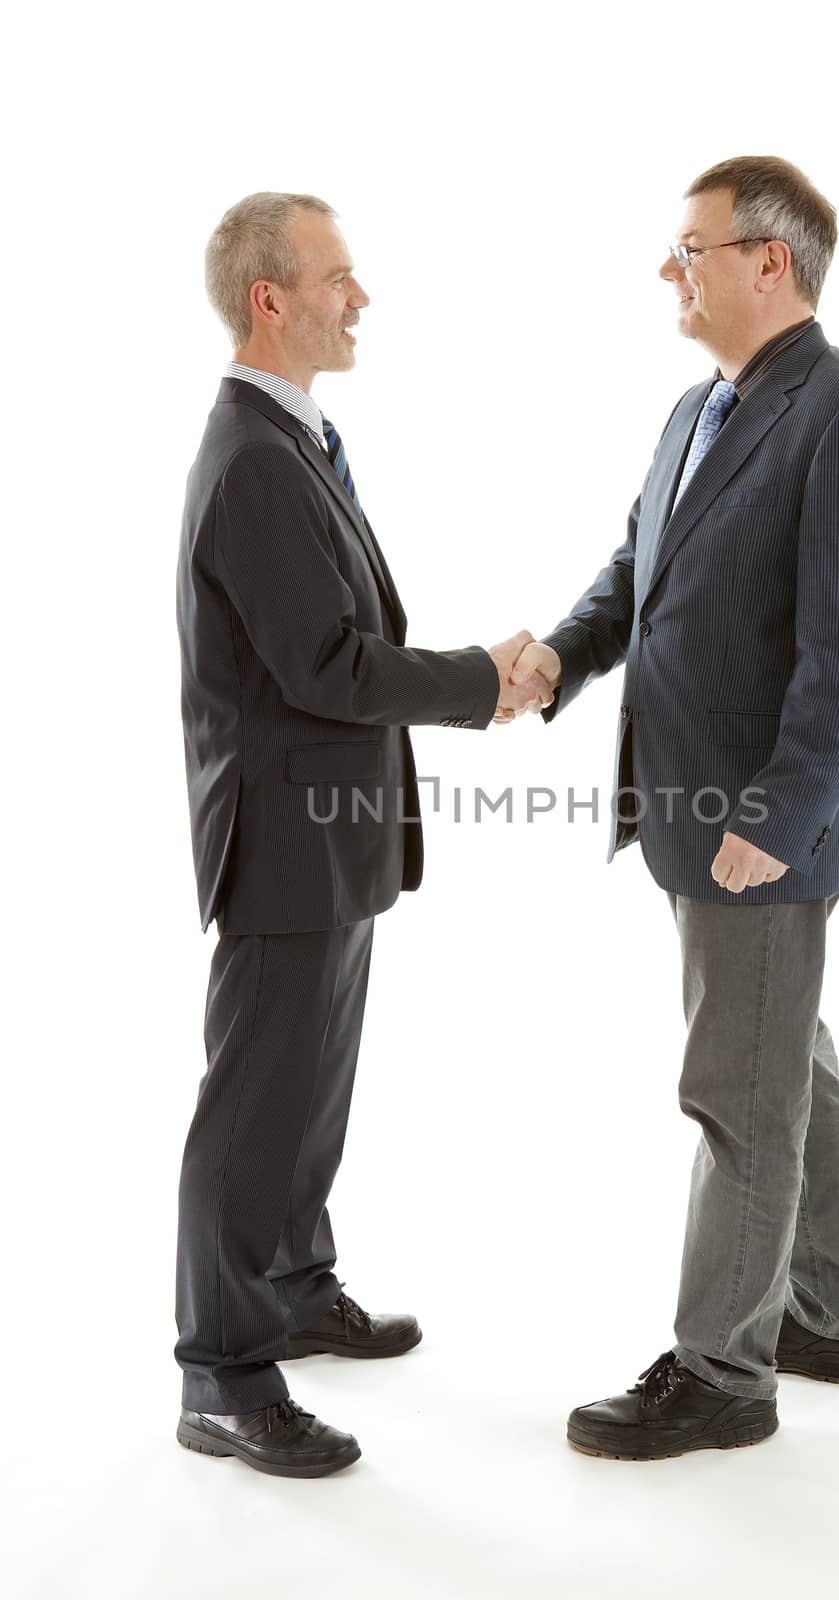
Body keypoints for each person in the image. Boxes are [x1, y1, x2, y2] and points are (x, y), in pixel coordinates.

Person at [504, 155, 839, 1460]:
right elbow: (643, 565)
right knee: (784, 1056)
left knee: (736, 1096)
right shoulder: (697, 412)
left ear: (769, 262)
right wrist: (563, 658)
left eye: (691, 247)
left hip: (757, 826)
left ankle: (723, 1374)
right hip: (692, 809)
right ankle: (838, 1318)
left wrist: (780, 818)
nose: (669, 270)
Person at [174, 191, 551, 1479]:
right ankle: (222, 1373)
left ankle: (288, 1284)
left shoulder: (293, 441)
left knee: (309, 1088)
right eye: (340, 276)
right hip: (282, 840)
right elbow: (328, 666)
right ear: (269, 298)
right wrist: (480, 683)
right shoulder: (251, 460)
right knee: (254, 1103)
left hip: (326, 835)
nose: (363, 296)